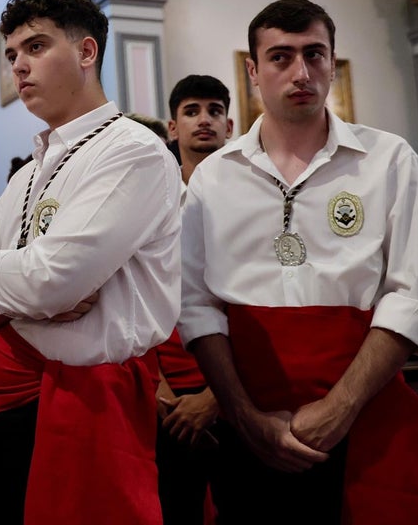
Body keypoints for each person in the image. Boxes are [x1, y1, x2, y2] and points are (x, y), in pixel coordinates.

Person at [179, 0, 418, 524]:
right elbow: (195, 304)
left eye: (315, 54)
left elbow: (414, 294)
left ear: (332, 61)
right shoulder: (213, 178)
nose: (300, 72)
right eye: (280, 57)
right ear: (252, 70)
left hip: (369, 410)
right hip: (251, 422)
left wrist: (341, 407)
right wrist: (242, 414)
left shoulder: (388, 160)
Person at [0, 0, 181, 525]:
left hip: (88, 402)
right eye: (11, 55)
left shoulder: (131, 151)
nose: (19, 65)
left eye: (36, 46)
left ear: (87, 52)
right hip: (6, 409)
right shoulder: (29, 171)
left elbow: (49, 282)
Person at [154, 74, 234, 525]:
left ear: (230, 124)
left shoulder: (255, 202)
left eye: (214, 110)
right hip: (166, 393)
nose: (204, 120)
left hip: (240, 389)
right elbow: (136, 295)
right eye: (191, 111)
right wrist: (157, 387)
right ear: (172, 127)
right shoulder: (153, 205)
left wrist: (217, 397)